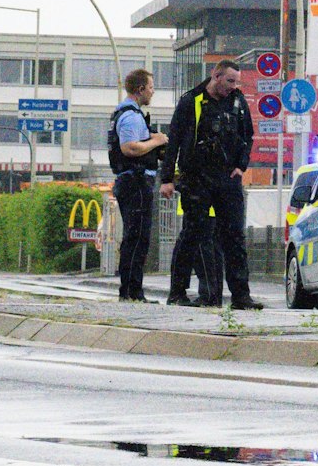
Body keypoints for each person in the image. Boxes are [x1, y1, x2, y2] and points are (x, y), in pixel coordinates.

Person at [160, 59, 262, 310]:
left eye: (237, 82)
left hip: (228, 178)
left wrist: (241, 165)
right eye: (230, 81)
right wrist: (167, 179)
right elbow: (174, 140)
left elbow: (247, 135)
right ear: (216, 76)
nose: (233, 86)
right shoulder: (191, 101)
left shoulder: (238, 101)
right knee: (193, 233)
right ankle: (178, 292)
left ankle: (241, 296)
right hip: (196, 178)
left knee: (234, 236)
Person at [108, 69, 168, 302]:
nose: (153, 91)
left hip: (131, 180)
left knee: (135, 236)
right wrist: (157, 140)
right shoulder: (132, 116)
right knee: (138, 237)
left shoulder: (124, 113)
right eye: (151, 87)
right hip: (136, 180)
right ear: (141, 89)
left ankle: (130, 290)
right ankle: (132, 292)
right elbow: (130, 147)